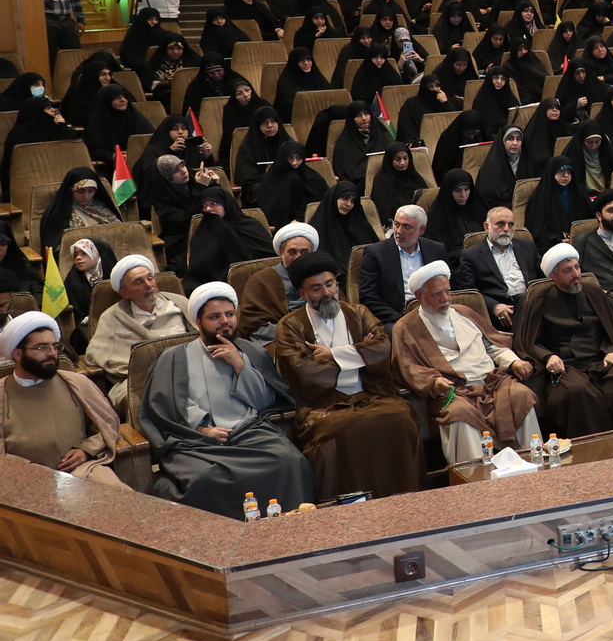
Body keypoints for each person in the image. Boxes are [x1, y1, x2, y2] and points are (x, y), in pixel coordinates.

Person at [139, 282, 315, 517]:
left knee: (291, 461)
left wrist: (240, 365)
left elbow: (265, 401)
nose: (225, 321)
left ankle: (290, 529)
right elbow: (166, 404)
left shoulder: (251, 352)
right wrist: (202, 427)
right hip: (198, 442)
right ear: (198, 322)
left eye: (230, 314)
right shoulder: (174, 357)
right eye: (215, 316)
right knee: (205, 478)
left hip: (250, 433)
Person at [267, 251, 422, 501]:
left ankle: (405, 499)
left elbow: (383, 348)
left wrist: (331, 355)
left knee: (399, 417)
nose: (327, 293)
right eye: (316, 289)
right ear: (303, 293)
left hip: (371, 394)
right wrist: (360, 353)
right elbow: (305, 372)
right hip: (323, 404)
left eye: (329, 285)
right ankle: (344, 506)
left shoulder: (358, 312)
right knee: (337, 429)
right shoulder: (290, 325)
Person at [390, 260, 542, 466]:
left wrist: (513, 361)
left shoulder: (464, 312)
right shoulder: (406, 327)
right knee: (460, 414)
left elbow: (493, 345)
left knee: (521, 395)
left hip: (492, 384)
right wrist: (434, 382)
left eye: (447, 292)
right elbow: (408, 367)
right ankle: (474, 479)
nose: (445, 299)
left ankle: (533, 465)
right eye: (436, 294)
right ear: (418, 296)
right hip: (454, 392)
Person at [512, 243, 613, 436]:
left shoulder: (593, 293)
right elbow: (528, 341)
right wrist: (548, 357)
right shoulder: (540, 300)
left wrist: (610, 349)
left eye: (577, 268)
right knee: (578, 392)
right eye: (567, 271)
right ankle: (594, 449)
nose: (576, 274)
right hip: (566, 366)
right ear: (553, 275)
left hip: (598, 360)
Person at [0, 313, 125, 485]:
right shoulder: (2, 393)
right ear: (17, 354)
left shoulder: (77, 383)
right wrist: (30, 470)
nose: (52, 353)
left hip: (83, 472)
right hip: (25, 480)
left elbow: (108, 424)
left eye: (54, 346)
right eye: (41, 347)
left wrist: (86, 450)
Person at [82, 254, 192, 409]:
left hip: (187, 372)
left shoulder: (179, 304)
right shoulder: (113, 318)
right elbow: (95, 355)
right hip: (139, 381)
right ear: (124, 292)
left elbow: (202, 337)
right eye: (138, 282)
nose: (148, 285)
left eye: (150, 278)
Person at [457, 204, 545, 329]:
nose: (506, 229)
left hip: (531, 304)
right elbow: (468, 292)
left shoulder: (527, 247)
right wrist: (494, 306)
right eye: (500, 224)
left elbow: (542, 279)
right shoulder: (471, 255)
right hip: (502, 312)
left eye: (511, 224)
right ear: (486, 227)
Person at [358, 203, 446, 325]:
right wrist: (401, 320)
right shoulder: (376, 253)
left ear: (421, 229)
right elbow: (368, 297)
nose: (399, 231)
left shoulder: (436, 250)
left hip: (433, 313)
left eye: (406, 227)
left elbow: (445, 287)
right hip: (395, 319)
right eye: (397, 224)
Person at [238, 221, 322, 344]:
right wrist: (298, 334)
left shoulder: (322, 277)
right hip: (280, 340)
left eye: (304, 252)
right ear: (281, 252)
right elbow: (254, 325)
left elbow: (340, 310)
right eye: (292, 252)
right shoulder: (261, 280)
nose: (298, 257)